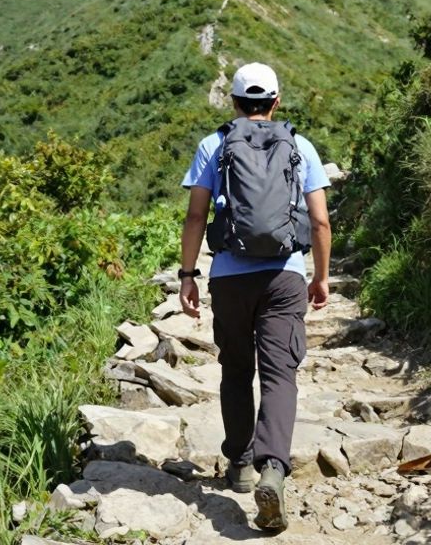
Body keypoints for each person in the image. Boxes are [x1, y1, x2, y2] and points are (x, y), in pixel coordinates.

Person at [179, 62, 332, 532]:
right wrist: (321, 277)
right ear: (277, 101)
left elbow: (195, 216)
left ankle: (241, 465)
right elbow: (321, 222)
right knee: (279, 374)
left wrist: (188, 274)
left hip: (229, 277)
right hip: (284, 277)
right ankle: (273, 467)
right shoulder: (299, 145)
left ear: (234, 102)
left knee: (236, 368)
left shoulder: (215, 143)